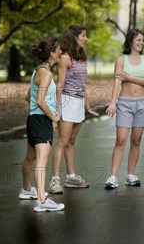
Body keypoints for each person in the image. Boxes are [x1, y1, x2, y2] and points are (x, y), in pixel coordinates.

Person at [50, 25, 99, 194]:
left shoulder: (81, 58)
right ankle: (54, 180)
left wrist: (87, 105)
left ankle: (71, 177)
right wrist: (56, 109)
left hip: (78, 103)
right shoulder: (65, 57)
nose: (86, 38)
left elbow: (83, 84)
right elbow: (60, 84)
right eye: (83, 35)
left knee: (71, 141)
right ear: (75, 37)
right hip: (67, 101)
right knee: (62, 142)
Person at [104, 28, 144, 189]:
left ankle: (130, 175)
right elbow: (117, 82)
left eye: (143, 40)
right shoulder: (121, 60)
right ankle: (113, 177)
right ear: (131, 41)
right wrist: (113, 102)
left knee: (136, 140)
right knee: (120, 140)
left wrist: (130, 77)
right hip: (125, 102)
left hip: (143, 102)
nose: (141, 43)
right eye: (138, 39)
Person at [20, 37, 65, 212]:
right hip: (41, 120)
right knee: (42, 159)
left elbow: (28, 96)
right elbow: (40, 101)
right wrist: (53, 118)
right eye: (59, 49)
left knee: (30, 158)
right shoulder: (46, 73)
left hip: (33, 119)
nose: (61, 52)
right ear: (52, 53)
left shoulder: (37, 71)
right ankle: (41, 200)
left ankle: (26, 189)